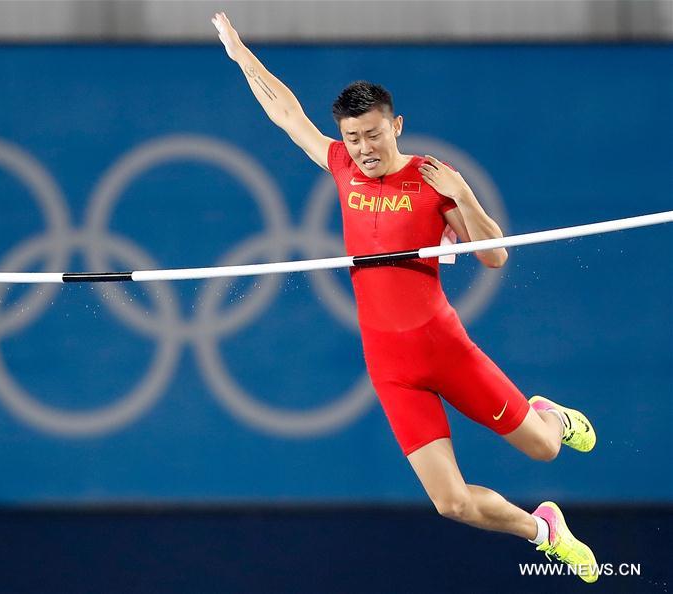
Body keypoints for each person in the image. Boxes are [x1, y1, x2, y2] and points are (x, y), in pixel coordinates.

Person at [212, 12, 599, 583]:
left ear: (396, 125)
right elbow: (285, 112)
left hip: (444, 348)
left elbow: (495, 256)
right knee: (451, 504)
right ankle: (543, 529)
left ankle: (547, 416)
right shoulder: (341, 166)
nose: (364, 148)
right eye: (352, 137)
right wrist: (243, 57)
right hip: (391, 367)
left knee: (544, 450)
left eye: (373, 134)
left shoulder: (432, 180)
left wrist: (463, 195)